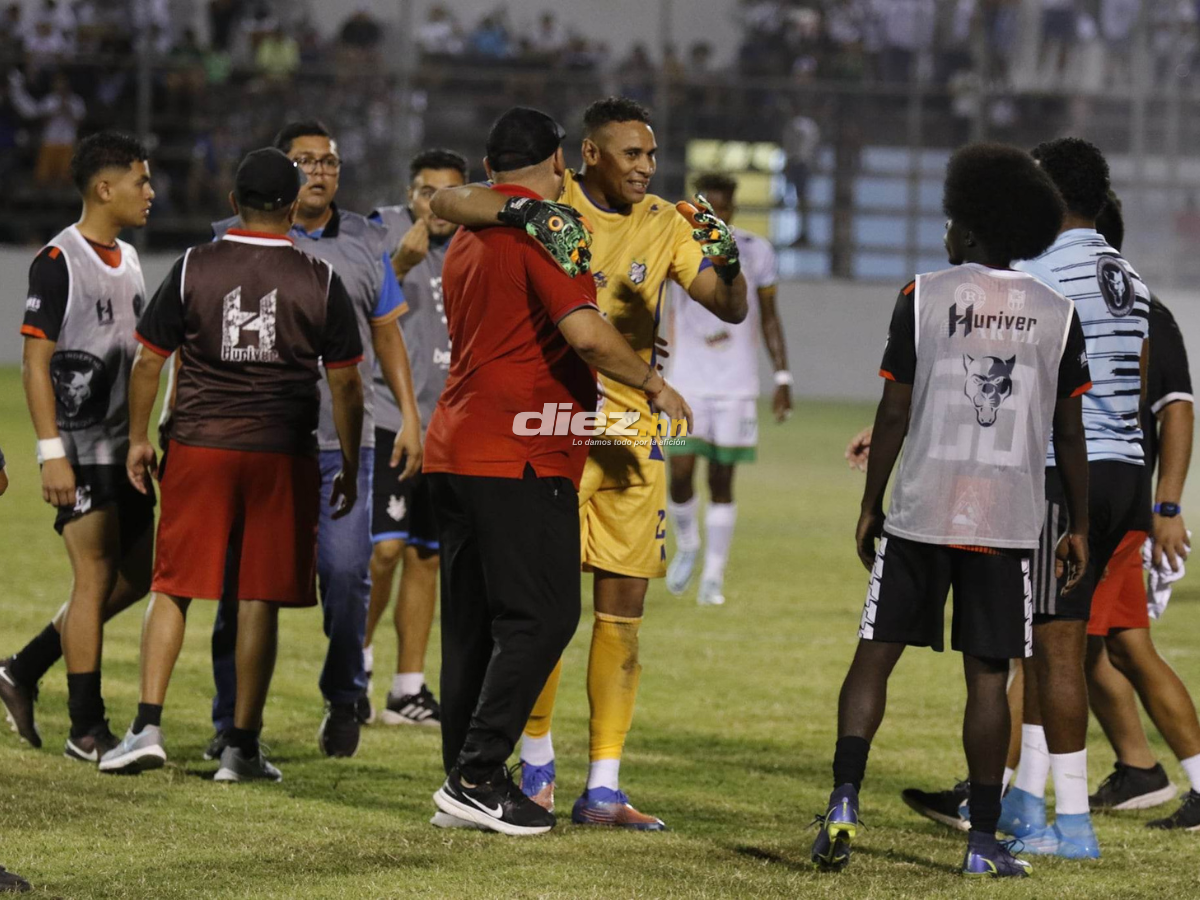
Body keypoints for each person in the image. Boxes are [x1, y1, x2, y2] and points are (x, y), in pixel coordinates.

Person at [430, 95, 747, 830]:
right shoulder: (551, 201)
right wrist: (522, 210)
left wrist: (727, 261)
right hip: (555, 428)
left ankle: (603, 784)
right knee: (539, 609)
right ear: (586, 155)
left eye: (652, 154)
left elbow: (728, 307)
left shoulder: (664, 221)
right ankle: (534, 766)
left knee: (620, 611)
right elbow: (449, 200)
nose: (646, 167)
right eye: (632, 153)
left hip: (631, 434)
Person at [810, 143, 1090, 879]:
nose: (944, 230)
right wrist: (1080, 525)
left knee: (876, 653)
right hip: (1005, 520)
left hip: (922, 509)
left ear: (967, 228)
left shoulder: (924, 294)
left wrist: (870, 503)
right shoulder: (1058, 313)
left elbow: (893, 410)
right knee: (988, 679)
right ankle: (982, 842)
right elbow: (1070, 434)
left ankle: (843, 798)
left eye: (950, 220)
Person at [97, 147, 365, 781]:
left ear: (232, 203)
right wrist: (351, 463)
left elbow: (149, 360)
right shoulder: (321, 278)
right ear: (294, 207)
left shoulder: (194, 265)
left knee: (174, 585)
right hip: (283, 454)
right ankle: (241, 746)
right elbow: (347, 385)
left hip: (201, 446)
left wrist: (138, 439)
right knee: (258, 596)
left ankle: (146, 726)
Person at [206, 120, 421, 761]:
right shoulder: (233, 238)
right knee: (242, 585)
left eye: (329, 162)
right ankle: (231, 720)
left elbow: (387, 333)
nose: (320, 172)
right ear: (282, 169)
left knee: (348, 572)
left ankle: (344, 691)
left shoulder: (365, 241)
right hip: (259, 439)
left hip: (341, 443)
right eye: (305, 161)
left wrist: (410, 414)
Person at [994, 138, 1150, 859]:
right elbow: (1136, 377)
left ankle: (1075, 825)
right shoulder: (1127, 275)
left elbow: (1019, 377)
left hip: (1068, 470)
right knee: (1048, 638)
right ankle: (1027, 800)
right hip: (1125, 473)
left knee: (1054, 649)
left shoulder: (1039, 272)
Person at [0, 132, 154, 762]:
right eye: (141, 181)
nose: (151, 192)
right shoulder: (58, 260)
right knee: (93, 576)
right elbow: (34, 364)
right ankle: (86, 728)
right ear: (104, 188)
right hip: (81, 448)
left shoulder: (131, 258)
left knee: (139, 575)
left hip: (122, 448)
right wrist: (51, 453)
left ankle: (21, 668)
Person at [361, 148, 467, 727]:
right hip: (389, 418)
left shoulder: (475, 243)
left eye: (449, 194)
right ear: (410, 194)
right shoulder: (381, 232)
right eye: (428, 193)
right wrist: (399, 264)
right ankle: (355, 668)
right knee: (384, 550)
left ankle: (407, 690)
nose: (437, 205)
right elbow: (353, 310)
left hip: (449, 427)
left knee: (427, 556)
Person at [665, 171, 791, 606]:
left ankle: (713, 576)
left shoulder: (756, 250)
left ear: (732, 209)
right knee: (680, 474)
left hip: (736, 384)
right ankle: (688, 545)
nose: (715, 214)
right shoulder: (675, 244)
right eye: (708, 207)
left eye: (723, 208)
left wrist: (782, 377)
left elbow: (770, 316)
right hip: (686, 381)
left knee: (722, 480)